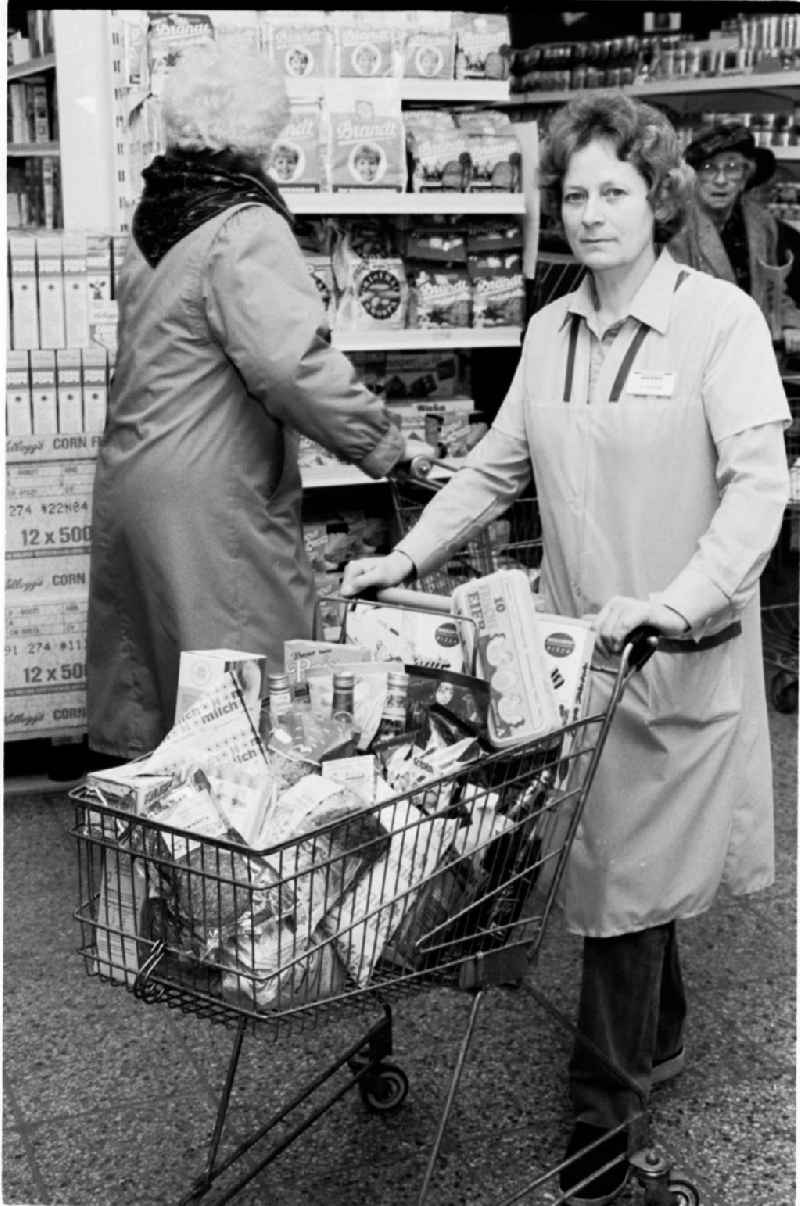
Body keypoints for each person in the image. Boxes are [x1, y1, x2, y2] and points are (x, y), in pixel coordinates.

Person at [341, 92, 790, 1206]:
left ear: (656, 197)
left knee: (619, 891)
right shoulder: (548, 329)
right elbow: (498, 465)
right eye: (573, 194)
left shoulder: (715, 321)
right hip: (570, 658)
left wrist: (674, 602)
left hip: (674, 646)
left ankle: (598, 1145)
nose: (589, 214)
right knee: (610, 874)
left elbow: (760, 486)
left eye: (612, 192)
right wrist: (408, 557)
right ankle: (661, 1030)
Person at [86, 43, 432, 763]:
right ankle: (235, 863)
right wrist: (385, 445)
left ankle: (164, 859)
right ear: (266, 127)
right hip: (213, 495)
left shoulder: (158, 215)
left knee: (161, 681)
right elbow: (289, 364)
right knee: (246, 686)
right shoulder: (243, 225)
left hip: (138, 477)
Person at [669, 121, 800, 335]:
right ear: (693, 177)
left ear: (744, 177)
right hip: (697, 346)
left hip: (752, 346)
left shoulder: (763, 223)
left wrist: (791, 324)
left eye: (731, 168)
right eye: (709, 168)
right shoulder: (675, 227)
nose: (720, 180)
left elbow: (773, 290)